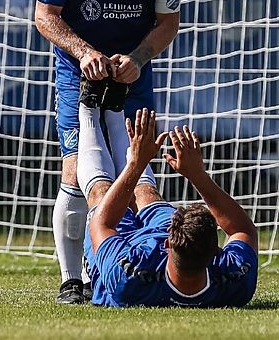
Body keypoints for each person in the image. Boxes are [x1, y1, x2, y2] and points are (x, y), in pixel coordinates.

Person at [34, 0, 183, 304]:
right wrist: (84, 52)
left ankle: (146, 264)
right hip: (77, 73)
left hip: (133, 74)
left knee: (139, 171)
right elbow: (45, 16)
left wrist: (137, 58)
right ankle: (72, 280)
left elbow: (168, 22)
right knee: (76, 170)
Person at [76, 89, 258, 308]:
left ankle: (88, 107)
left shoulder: (128, 278)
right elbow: (243, 230)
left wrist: (136, 164)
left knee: (100, 192)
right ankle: (115, 106)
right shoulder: (234, 282)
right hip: (175, 238)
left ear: (167, 243)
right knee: (147, 193)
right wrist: (198, 175)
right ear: (216, 252)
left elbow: (102, 224)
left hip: (128, 246)